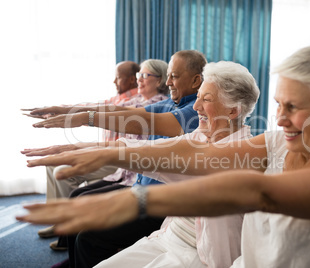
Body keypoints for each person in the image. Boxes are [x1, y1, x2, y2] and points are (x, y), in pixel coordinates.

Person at [19, 42, 310, 268]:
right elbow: (191, 155)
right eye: (278, 104)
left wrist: (137, 199)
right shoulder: (276, 142)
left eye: (293, 107)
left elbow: (255, 192)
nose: (279, 118)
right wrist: (100, 150)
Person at [23, 50, 207, 268]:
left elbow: (138, 120)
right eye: (167, 75)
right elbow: (119, 109)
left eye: (174, 76)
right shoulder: (171, 104)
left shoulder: (194, 112)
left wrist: (83, 119)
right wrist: (68, 111)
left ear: (196, 80)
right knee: (80, 218)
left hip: (160, 204)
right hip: (139, 192)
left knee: (87, 236)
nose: (168, 83)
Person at [21, 60, 140, 240]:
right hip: (106, 152)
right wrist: (59, 112)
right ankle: (58, 221)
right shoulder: (118, 98)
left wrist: (66, 113)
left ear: (132, 79)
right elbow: (90, 105)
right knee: (53, 164)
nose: (114, 82)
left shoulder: (139, 100)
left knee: (64, 170)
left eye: (118, 78)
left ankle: (65, 228)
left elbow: (101, 110)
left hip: (116, 158)